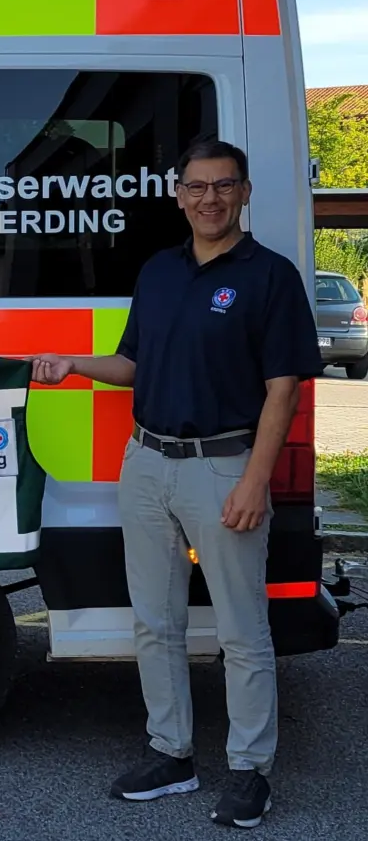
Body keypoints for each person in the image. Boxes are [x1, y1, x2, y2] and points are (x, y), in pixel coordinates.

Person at [31, 139, 322, 829]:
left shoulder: (270, 276)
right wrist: (74, 364)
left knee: (242, 630)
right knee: (155, 622)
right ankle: (172, 753)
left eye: (223, 186)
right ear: (178, 194)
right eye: (197, 187)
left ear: (244, 192)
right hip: (146, 462)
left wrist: (254, 481)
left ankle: (250, 770)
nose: (209, 199)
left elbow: (283, 390)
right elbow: (133, 364)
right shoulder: (159, 271)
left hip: (223, 466)